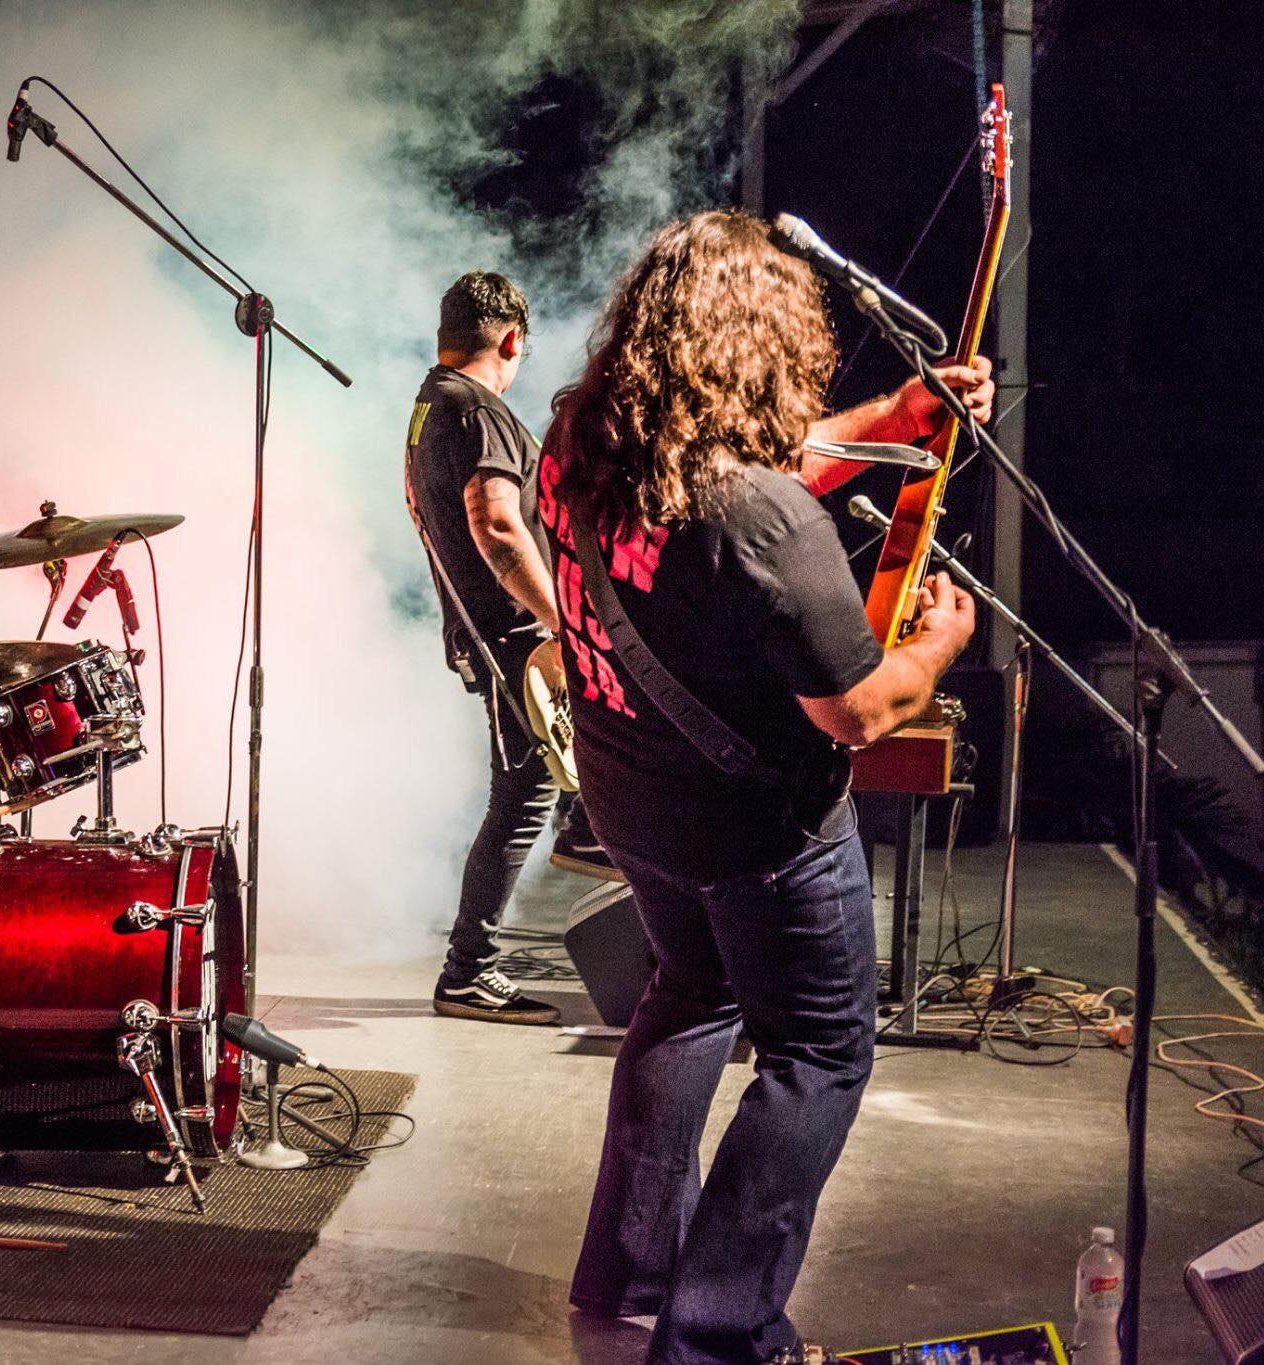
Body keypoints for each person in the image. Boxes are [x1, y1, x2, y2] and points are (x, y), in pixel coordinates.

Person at [539, 211, 984, 1365]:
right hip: (758, 833)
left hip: (631, 797)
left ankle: (627, 1269)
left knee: (688, 993)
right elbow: (858, 712)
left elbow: (732, 475)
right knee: (819, 1054)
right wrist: (938, 644)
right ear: (763, 346)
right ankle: (716, 1331)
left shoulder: (576, 444)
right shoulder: (764, 516)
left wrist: (896, 415)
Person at [404, 270, 616, 1026]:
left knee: (533, 793)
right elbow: (495, 525)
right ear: (513, 339)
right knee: (519, 805)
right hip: (518, 644)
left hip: (501, 638)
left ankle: (589, 831)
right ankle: (468, 973)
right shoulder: (477, 409)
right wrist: (564, 622)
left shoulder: (430, 405)